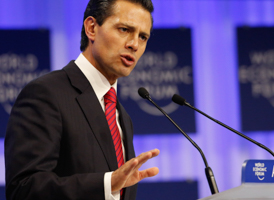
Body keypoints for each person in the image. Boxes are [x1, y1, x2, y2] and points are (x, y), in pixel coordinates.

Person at [5, 0, 159, 199]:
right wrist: (106, 184)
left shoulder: (123, 117)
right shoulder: (46, 94)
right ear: (92, 28)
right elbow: (23, 189)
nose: (134, 44)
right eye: (124, 29)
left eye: (143, 36)